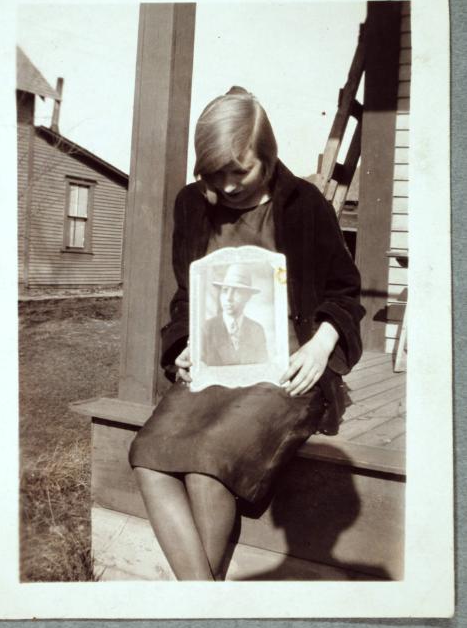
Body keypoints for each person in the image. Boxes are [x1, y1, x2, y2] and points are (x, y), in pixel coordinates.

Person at [129, 86, 365, 581]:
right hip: (216, 363)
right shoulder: (192, 205)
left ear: (268, 156)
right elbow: (187, 298)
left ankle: (193, 609)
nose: (229, 185)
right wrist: (184, 347)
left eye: (241, 171)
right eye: (216, 172)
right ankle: (205, 604)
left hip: (288, 369)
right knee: (148, 457)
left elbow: (345, 293)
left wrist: (323, 346)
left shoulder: (305, 204)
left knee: (206, 461)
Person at [202, 263, 268, 366]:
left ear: (247, 297)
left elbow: (262, 368)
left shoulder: (256, 330)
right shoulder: (207, 328)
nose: (228, 298)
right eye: (225, 290)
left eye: (236, 292)